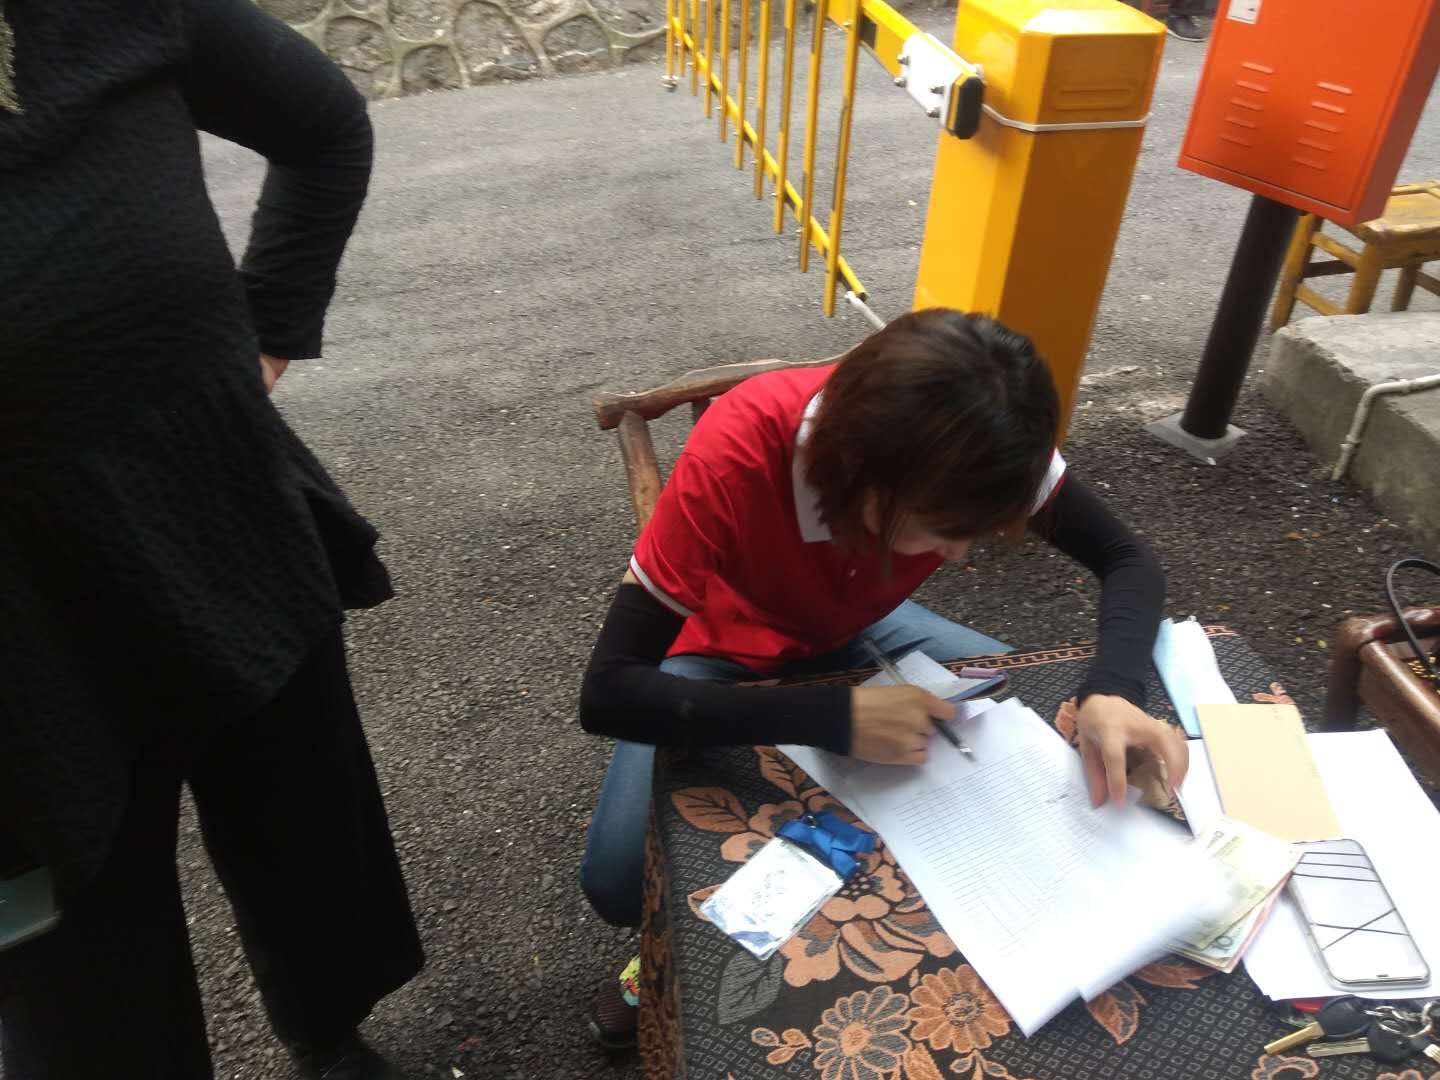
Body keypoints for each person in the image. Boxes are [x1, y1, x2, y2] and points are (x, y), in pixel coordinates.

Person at [0, 3, 422, 1078]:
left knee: (304, 828)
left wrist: (269, 328)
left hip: (214, 504)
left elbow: (323, 126)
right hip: (15, 624)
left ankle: (332, 1035)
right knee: (74, 954)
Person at [576, 309, 1189, 1047]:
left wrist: (1114, 689)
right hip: (722, 648)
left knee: (1018, 710)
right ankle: (666, 945)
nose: (957, 555)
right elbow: (609, 692)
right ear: (860, 477)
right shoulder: (736, 452)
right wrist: (834, 717)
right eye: (946, 530)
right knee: (619, 878)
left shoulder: (979, 435)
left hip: (857, 625)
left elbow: (1128, 559)